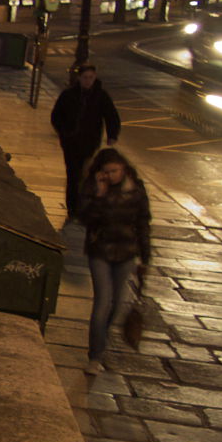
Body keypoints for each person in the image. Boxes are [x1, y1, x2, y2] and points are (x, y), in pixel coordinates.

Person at [77, 148, 150, 372]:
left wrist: (145, 257)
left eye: (114, 171)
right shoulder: (94, 188)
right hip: (100, 252)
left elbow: (143, 224)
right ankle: (95, 356)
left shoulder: (135, 190)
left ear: (124, 169)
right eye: (106, 172)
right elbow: (85, 218)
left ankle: (102, 343)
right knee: (102, 303)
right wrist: (99, 195)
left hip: (127, 252)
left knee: (117, 305)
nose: (110, 175)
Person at [50, 63, 121, 219]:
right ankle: (72, 207)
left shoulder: (101, 96)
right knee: (73, 175)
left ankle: (83, 207)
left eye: (91, 78)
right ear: (79, 78)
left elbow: (111, 116)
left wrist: (112, 135)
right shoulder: (69, 95)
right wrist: (64, 133)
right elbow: (56, 116)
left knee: (86, 174)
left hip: (90, 143)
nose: (88, 81)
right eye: (85, 78)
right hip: (71, 143)